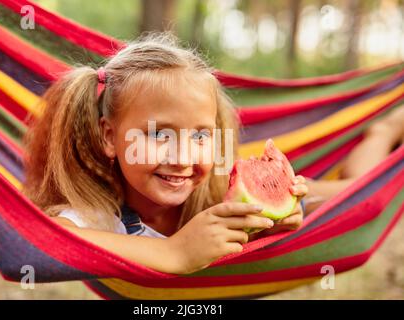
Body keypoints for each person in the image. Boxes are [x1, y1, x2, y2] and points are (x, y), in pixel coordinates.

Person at [23, 32, 403, 275]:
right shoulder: (98, 211)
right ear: (110, 137)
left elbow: (360, 201)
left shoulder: (224, 188)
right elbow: (38, 243)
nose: (184, 157)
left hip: (286, 180)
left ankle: (382, 132)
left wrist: (279, 221)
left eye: (202, 136)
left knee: (361, 195)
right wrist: (174, 253)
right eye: (158, 134)